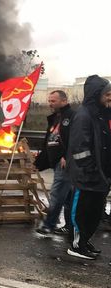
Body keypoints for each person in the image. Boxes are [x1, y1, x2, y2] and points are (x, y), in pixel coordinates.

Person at [66, 75, 111, 260]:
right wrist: (89, 170)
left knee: (94, 214)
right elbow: (79, 148)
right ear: (96, 94)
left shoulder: (103, 114)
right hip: (86, 177)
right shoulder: (84, 115)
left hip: (102, 176)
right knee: (82, 212)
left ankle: (85, 240)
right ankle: (76, 245)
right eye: (107, 94)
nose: (110, 97)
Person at [34, 90, 75, 237]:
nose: (50, 104)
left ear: (64, 101)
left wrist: (66, 156)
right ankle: (70, 226)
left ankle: (48, 225)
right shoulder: (55, 118)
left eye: (53, 101)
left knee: (57, 194)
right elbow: (50, 141)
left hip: (65, 163)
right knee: (68, 196)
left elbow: (75, 139)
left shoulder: (71, 116)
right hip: (56, 162)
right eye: (49, 101)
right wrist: (39, 161)